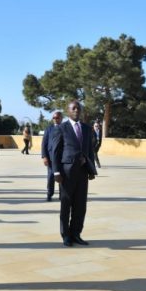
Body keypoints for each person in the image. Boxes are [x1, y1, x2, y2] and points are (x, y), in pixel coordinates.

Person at [51, 100, 97, 247]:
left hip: (83, 172)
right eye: (74, 108)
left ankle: (76, 233)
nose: (77, 110)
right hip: (66, 173)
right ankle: (66, 235)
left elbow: (90, 150)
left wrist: (91, 169)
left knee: (80, 206)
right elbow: (55, 152)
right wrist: (56, 171)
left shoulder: (86, 128)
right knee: (66, 205)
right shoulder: (61, 128)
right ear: (68, 111)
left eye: (79, 108)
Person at [41, 111, 63, 201]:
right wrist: (44, 156)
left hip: (62, 158)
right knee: (50, 177)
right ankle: (49, 194)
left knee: (61, 177)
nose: (55, 119)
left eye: (57, 118)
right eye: (53, 118)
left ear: (61, 118)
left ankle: (62, 195)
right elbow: (44, 144)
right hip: (50, 158)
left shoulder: (65, 128)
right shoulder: (49, 129)